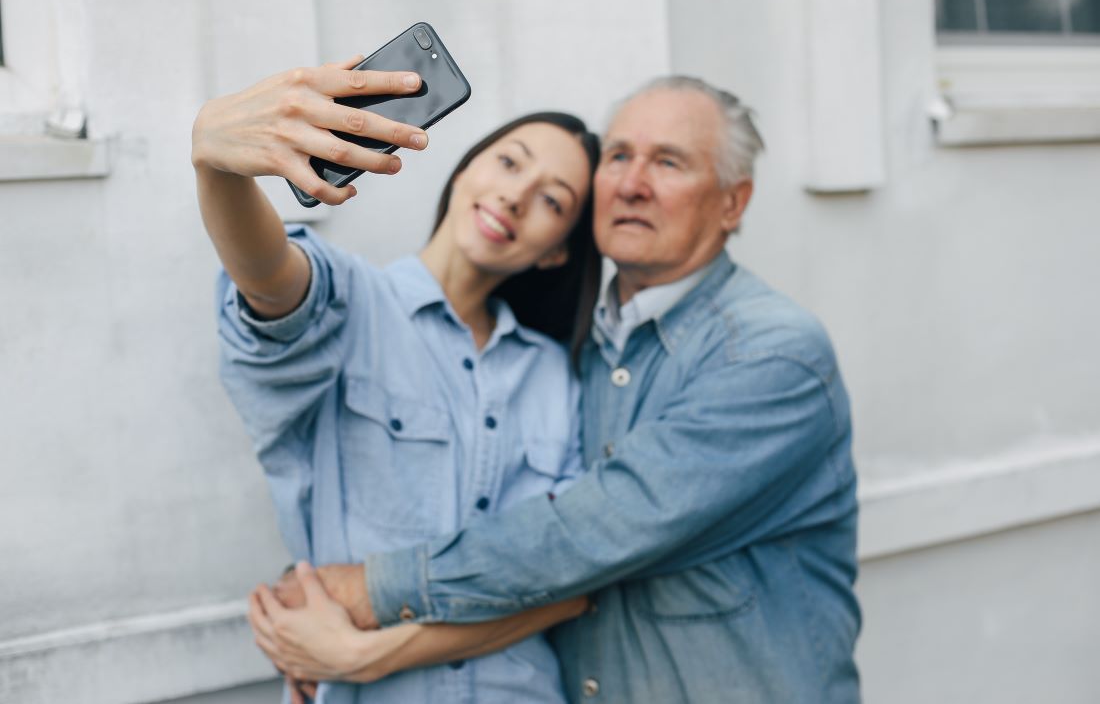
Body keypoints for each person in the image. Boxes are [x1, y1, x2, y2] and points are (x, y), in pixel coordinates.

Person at [268, 75, 863, 703]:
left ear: (731, 204)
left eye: (668, 162)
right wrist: (322, 597)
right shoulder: (573, 353)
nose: (633, 184)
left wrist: (363, 593)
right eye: (620, 156)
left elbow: (588, 535)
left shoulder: (773, 355)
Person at [191, 56, 605, 703]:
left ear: (558, 249)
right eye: (509, 161)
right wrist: (216, 165)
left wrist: (367, 653)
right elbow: (269, 276)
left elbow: (568, 581)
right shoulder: (350, 303)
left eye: (554, 200)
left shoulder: (554, 374)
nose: (517, 194)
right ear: (467, 167)